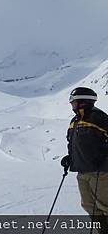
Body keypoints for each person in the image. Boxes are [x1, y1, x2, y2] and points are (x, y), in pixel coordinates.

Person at [61, 87, 108, 232]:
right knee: (89, 205)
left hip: (101, 171)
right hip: (82, 171)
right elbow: (72, 143)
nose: (71, 105)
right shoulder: (74, 121)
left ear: (83, 102)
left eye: (73, 101)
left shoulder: (99, 118)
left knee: (105, 205)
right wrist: (70, 157)